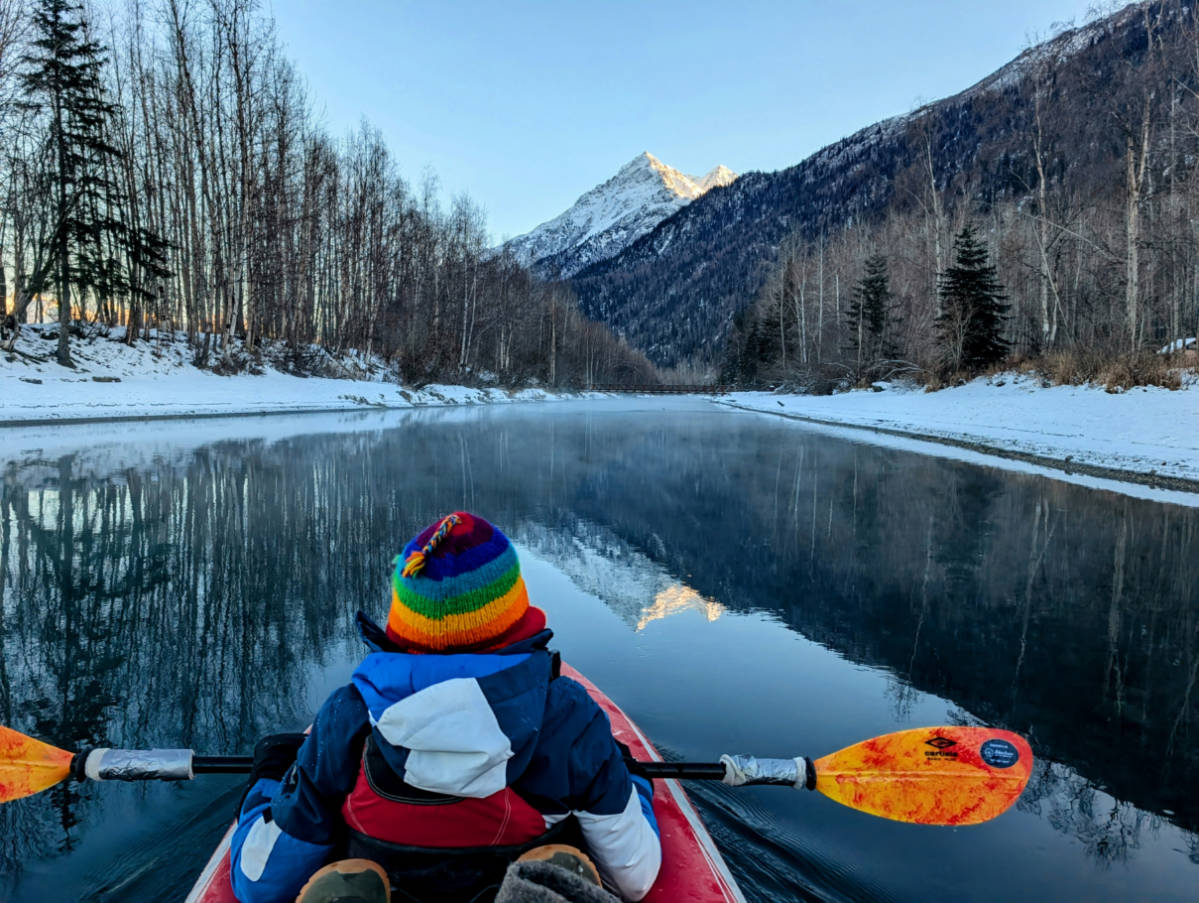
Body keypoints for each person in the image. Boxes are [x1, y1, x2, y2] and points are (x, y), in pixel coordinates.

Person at [229, 512, 662, 903]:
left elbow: (260, 883)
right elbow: (634, 877)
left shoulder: (347, 719)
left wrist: (267, 782)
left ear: (402, 621)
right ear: (515, 618)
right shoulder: (568, 720)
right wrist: (633, 782)